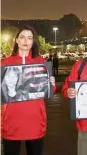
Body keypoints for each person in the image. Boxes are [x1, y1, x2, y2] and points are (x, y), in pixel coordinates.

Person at [1, 26, 56, 155]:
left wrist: (51, 84)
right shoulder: (4, 63)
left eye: (29, 38)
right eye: (22, 37)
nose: (26, 40)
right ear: (16, 40)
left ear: (33, 42)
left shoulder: (41, 62)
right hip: (11, 122)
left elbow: (49, 91)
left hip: (35, 122)